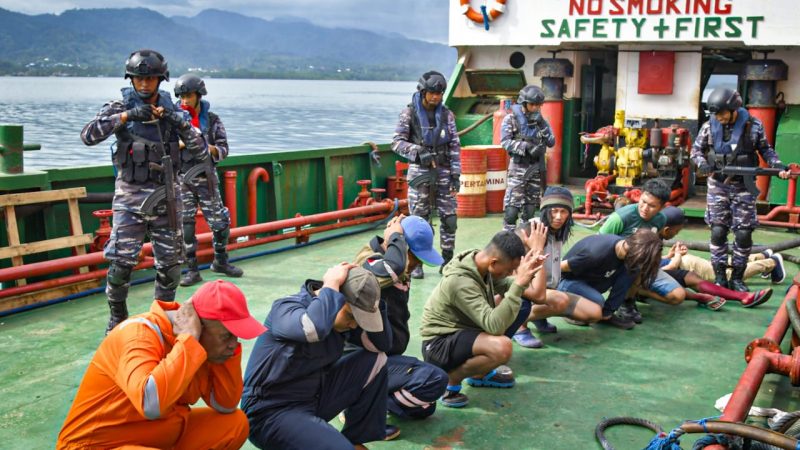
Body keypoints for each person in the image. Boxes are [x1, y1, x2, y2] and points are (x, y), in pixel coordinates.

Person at [80, 49, 208, 333]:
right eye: (140, 78)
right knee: (120, 264)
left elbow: (200, 151)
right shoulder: (118, 106)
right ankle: (117, 318)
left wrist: (177, 121)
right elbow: (88, 135)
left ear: (160, 80)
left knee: (170, 266)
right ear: (132, 79)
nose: (145, 84)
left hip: (167, 197)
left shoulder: (174, 110)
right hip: (130, 197)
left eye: (151, 78)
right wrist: (126, 116)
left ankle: (160, 319)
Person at [57, 280, 265, 449]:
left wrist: (224, 356)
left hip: (158, 438)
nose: (233, 345)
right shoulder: (139, 334)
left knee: (233, 424)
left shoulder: (206, 347)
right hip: (95, 445)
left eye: (236, 337)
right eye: (227, 336)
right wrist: (189, 341)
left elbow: (225, 404)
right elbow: (150, 404)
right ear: (198, 326)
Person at [242, 265, 392, 450]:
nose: (354, 326)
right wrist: (331, 284)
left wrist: (374, 304)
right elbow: (312, 329)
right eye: (351, 316)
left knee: (375, 359)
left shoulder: (341, 322)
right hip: (270, 412)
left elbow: (382, 345)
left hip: (312, 398)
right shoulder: (287, 308)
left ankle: (354, 438)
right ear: (335, 297)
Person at [419, 229, 546, 408]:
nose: (511, 274)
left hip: (463, 333)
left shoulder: (483, 266)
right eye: (509, 270)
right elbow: (495, 327)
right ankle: (451, 379)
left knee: (519, 301)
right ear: (494, 263)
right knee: (502, 347)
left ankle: (479, 374)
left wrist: (535, 264)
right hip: (438, 345)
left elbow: (539, 296)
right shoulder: (460, 282)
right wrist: (518, 284)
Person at [691, 87, 790, 292]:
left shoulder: (753, 126)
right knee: (718, 230)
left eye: (722, 113)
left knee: (744, 233)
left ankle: (737, 277)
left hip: (744, 185)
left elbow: (766, 150)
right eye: (715, 114)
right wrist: (702, 164)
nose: (719, 118)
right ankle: (720, 276)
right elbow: (696, 151)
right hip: (718, 184)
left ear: (734, 109)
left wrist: (778, 166)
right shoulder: (710, 126)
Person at [353, 215, 448, 419]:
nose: (416, 265)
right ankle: (358, 406)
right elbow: (392, 268)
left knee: (425, 406)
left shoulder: (398, 264)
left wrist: (401, 232)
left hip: (384, 356)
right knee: (434, 380)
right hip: (361, 363)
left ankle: (371, 400)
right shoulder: (370, 263)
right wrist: (395, 235)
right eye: (415, 257)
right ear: (400, 247)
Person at [511, 187, 604, 348]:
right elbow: (510, 272)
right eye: (554, 211)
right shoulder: (530, 230)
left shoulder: (558, 231)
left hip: (546, 290)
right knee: (561, 300)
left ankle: (538, 316)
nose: (559, 217)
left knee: (594, 313)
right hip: (523, 293)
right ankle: (517, 324)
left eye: (564, 211)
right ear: (545, 210)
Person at [173, 73, 243, 286]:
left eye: (189, 96)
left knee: (220, 223)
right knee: (185, 225)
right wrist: (181, 144)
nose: (185, 100)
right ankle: (191, 269)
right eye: (182, 96)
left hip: (206, 177)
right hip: (181, 178)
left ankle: (220, 261)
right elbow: (162, 148)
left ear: (198, 96)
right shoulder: (172, 119)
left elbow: (224, 149)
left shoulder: (212, 120)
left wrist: (205, 146)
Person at [392, 70, 462, 279]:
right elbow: (396, 142)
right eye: (432, 93)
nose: (436, 97)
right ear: (423, 92)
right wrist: (417, 152)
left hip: (443, 170)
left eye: (439, 93)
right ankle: (417, 263)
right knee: (419, 219)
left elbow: (454, 145)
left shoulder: (447, 115)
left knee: (449, 219)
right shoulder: (409, 114)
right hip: (420, 171)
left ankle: (448, 261)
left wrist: (456, 174)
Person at [599, 179, 685, 323]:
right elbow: (597, 245)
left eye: (652, 206)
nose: (645, 208)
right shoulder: (620, 218)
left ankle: (632, 296)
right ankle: (624, 300)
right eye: (643, 202)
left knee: (678, 296)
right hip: (615, 263)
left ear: (662, 207)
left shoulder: (660, 220)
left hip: (640, 265)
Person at [658, 206, 773, 308]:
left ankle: (768, 260)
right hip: (679, 264)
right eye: (676, 231)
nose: (676, 235)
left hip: (681, 264)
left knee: (724, 270)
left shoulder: (657, 235)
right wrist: (676, 256)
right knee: (725, 271)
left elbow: (657, 265)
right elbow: (661, 271)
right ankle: (766, 259)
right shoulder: (652, 239)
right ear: (666, 230)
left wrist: (670, 255)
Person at [558, 229, 665, 330]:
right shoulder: (595, 253)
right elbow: (559, 268)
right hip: (568, 281)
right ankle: (570, 311)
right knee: (597, 301)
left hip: (594, 279)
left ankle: (606, 315)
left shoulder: (627, 253)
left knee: (632, 270)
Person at [501, 85, 556, 231]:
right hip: (518, 169)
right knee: (511, 211)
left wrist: (542, 124)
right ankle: (507, 241)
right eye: (533, 104)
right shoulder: (511, 119)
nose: (536, 108)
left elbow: (551, 142)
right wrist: (526, 147)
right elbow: (505, 142)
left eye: (538, 105)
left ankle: (524, 242)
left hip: (536, 169)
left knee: (530, 211)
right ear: (524, 103)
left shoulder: (540, 121)